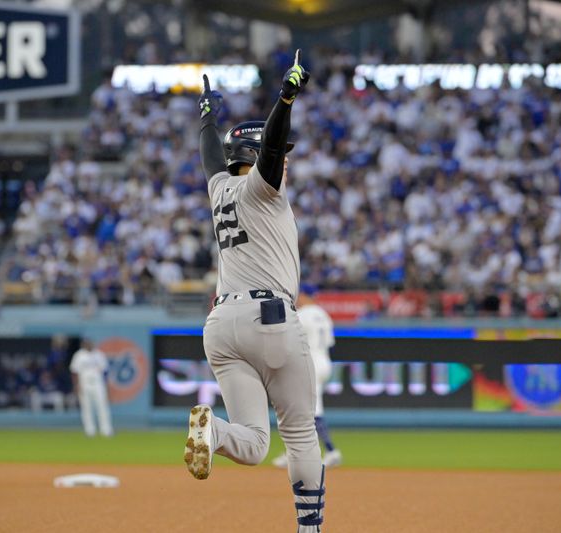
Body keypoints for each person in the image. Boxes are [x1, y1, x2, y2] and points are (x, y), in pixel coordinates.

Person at [184, 50, 325, 532]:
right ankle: (310, 528)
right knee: (300, 433)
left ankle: (213, 430)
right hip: (270, 319)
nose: (284, 162)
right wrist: (285, 97)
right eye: (280, 156)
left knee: (251, 441)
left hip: (221, 327)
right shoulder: (261, 189)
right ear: (259, 156)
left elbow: (210, 158)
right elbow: (270, 148)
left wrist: (207, 117)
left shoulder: (219, 188)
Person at [273, 290, 342, 469]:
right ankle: (294, 453)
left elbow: (289, 341)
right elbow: (329, 344)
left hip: (309, 363)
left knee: (309, 410)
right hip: (324, 362)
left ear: (304, 296)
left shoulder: (301, 315)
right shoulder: (323, 314)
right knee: (301, 408)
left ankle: (331, 450)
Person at [70, 339, 113, 437]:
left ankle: (106, 430)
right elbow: (74, 372)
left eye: (90, 343)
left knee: (102, 406)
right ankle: (89, 430)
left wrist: (107, 386)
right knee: (86, 408)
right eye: (87, 343)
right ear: (84, 345)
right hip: (84, 383)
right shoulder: (79, 355)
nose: (89, 345)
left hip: (98, 383)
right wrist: (76, 385)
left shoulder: (99, 354)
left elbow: (105, 371)